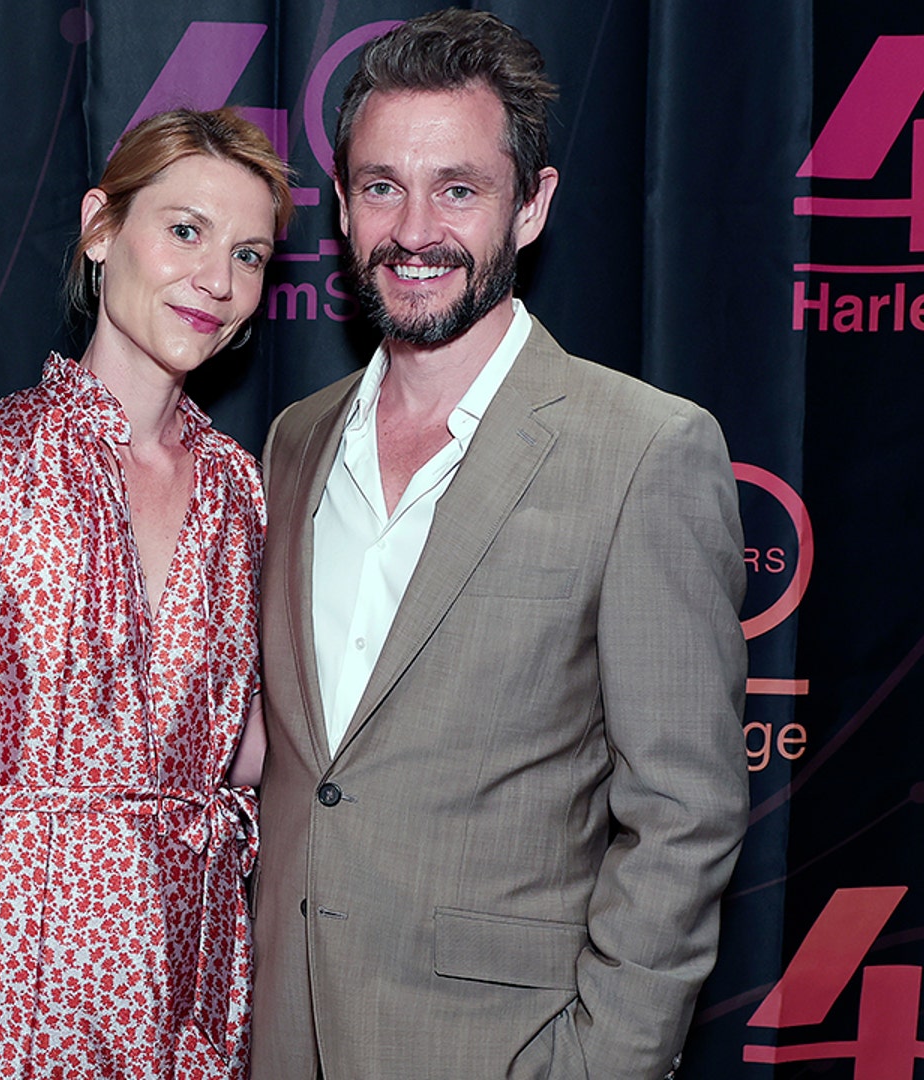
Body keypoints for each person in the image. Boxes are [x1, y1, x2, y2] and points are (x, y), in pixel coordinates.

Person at [250, 11, 748, 1079]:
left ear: (533, 207)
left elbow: (684, 815)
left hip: (501, 1051)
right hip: (283, 1037)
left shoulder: (645, 451)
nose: (415, 228)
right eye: (382, 186)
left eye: (459, 189)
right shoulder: (293, 444)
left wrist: (604, 1063)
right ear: (340, 206)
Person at [0, 107, 290, 1080]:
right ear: (99, 226)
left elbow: (246, 751)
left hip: (195, 981)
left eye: (249, 254)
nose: (217, 279)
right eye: (185, 230)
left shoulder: (241, 490)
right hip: (15, 976)